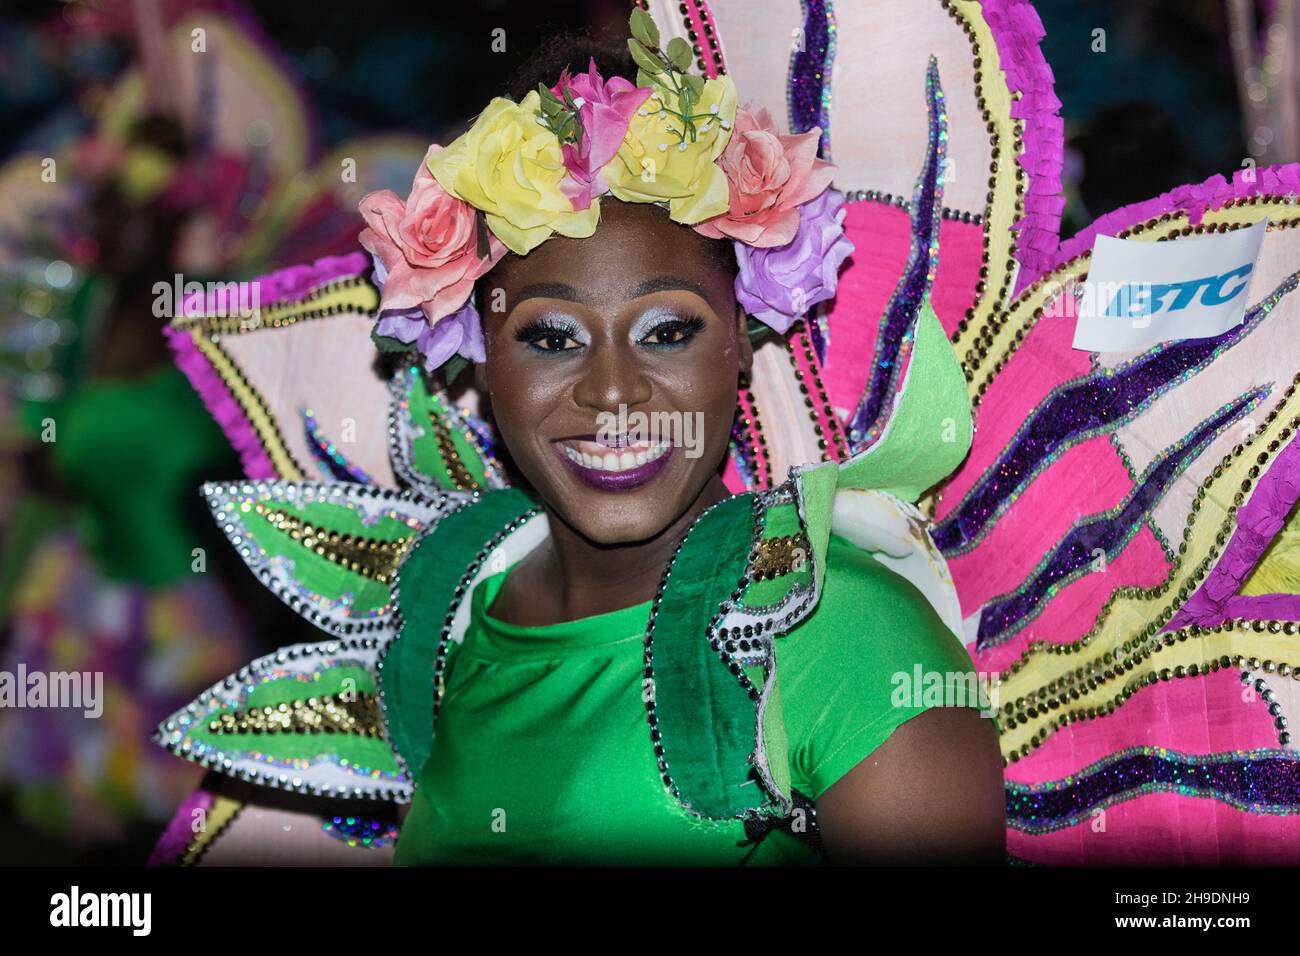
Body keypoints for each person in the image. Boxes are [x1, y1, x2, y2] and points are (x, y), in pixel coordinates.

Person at [148, 12, 1006, 866]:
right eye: (551, 338)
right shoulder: (441, 628)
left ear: (742, 339)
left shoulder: (840, 639)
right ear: (482, 356)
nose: (610, 392)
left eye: (667, 330)